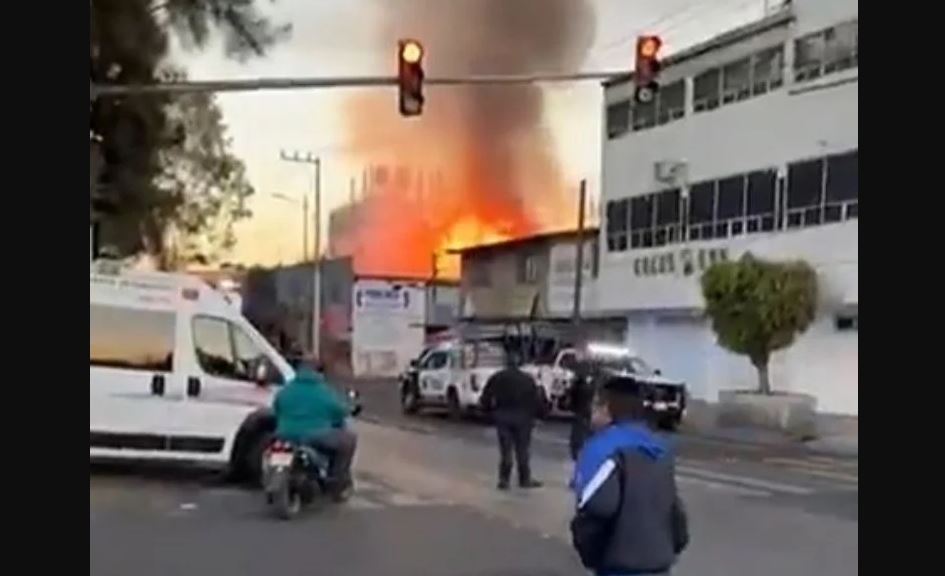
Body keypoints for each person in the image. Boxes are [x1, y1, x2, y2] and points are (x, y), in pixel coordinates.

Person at [570, 375, 690, 576]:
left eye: (595, 406)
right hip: (659, 560)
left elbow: (596, 505)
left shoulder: (602, 448)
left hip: (619, 563)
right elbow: (671, 504)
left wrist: (587, 547)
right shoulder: (659, 447)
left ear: (606, 409)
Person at [272, 360, 357, 499]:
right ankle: (337, 482)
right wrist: (348, 409)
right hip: (315, 435)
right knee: (348, 441)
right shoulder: (323, 391)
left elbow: (276, 410)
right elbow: (340, 410)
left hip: (285, 434)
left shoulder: (285, 390)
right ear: (318, 372)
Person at [480, 352, 543, 491]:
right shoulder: (527, 379)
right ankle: (524, 479)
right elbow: (536, 399)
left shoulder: (497, 378)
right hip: (523, 418)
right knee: (523, 450)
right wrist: (537, 416)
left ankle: (504, 480)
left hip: (503, 416)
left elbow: (486, 397)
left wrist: (489, 413)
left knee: (506, 450)